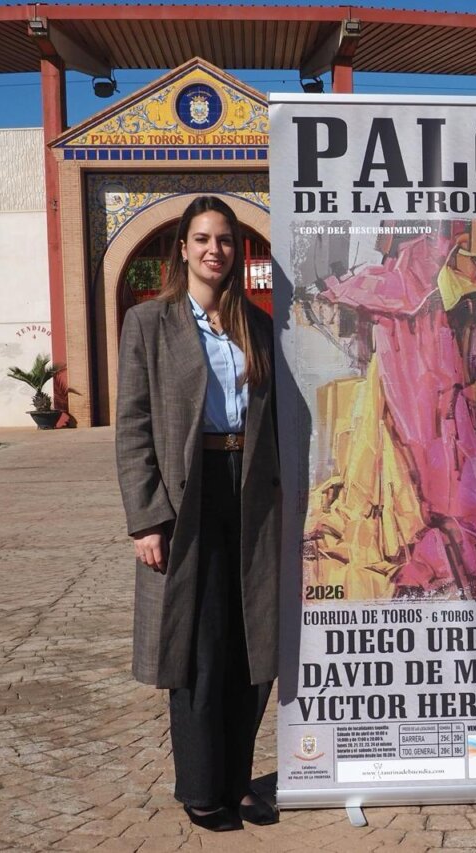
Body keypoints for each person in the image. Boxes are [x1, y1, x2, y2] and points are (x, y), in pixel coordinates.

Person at [115, 195, 280, 832]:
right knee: (199, 644)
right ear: (182, 247)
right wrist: (146, 517)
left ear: (239, 253)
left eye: (227, 241)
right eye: (203, 239)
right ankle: (200, 785)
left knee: (251, 643)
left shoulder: (257, 327)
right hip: (191, 496)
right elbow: (132, 426)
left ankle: (238, 781)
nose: (216, 250)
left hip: (251, 491)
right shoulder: (149, 325)